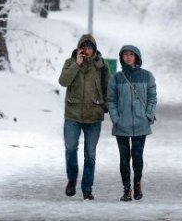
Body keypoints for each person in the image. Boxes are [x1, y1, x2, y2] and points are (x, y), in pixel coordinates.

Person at [58, 34, 110, 200]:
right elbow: (63, 81)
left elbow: (107, 87)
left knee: (90, 154)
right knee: (71, 149)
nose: (87, 50)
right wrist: (76, 65)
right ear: (79, 48)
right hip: (72, 114)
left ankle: (87, 188)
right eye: (84, 47)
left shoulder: (101, 65)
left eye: (90, 47)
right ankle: (72, 180)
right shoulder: (70, 62)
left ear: (94, 49)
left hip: (94, 116)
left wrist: (106, 106)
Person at [108, 45, 157, 202]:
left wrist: (148, 115)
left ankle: (137, 184)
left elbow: (152, 97)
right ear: (122, 57)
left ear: (137, 57)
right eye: (125, 55)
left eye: (131, 54)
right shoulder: (116, 78)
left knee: (137, 156)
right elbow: (111, 100)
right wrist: (116, 118)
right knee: (124, 158)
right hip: (121, 125)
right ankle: (126, 189)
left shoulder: (147, 76)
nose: (128, 57)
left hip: (140, 124)